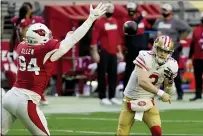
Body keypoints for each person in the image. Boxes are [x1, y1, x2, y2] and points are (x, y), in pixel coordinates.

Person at [0, 3, 106, 135]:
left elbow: (40, 46)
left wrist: (66, 40)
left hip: (10, 97)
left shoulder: (22, 46)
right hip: (26, 101)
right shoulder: (44, 50)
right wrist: (90, 19)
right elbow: (74, 39)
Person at [117, 35, 178, 136]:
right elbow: (142, 82)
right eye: (160, 50)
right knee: (122, 133)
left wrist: (170, 82)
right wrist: (160, 93)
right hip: (130, 99)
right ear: (155, 48)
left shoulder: (172, 65)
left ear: (170, 53)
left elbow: (167, 94)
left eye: (166, 51)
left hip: (149, 100)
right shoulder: (144, 56)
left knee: (157, 131)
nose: (163, 54)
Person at [8, 2, 47, 104]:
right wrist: (10, 51)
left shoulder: (36, 20)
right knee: (23, 75)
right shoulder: (18, 21)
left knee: (33, 74)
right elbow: (14, 37)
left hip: (33, 51)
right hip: (21, 50)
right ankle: (25, 96)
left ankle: (39, 95)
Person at [153, 3, 191, 100]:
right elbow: (155, 30)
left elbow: (187, 29)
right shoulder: (159, 22)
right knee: (160, 73)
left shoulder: (176, 22)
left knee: (174, 72)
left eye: (165, 10)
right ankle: (162, 94)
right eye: (162, 10)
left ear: (170, 11)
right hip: (160, 51)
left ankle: (180, 93)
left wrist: (180, 39)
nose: (163, 12)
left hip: (172, 50)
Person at [90, 2, 123, 105]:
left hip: (113, 52)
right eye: (107, 11)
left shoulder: (115, 21)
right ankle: (102, 96)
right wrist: (95, 53)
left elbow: (117, 38)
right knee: (102, 74)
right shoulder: (99, 22)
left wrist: (120, 52)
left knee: (113, 74)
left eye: (110, 10)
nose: (109, 12)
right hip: (103, 51)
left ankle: (112, 96)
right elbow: (94, 39)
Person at [120, 1, 151, 89]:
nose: (131, 11)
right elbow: (132, 25)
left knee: (143, 71)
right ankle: (127, 90)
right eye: (129, 9)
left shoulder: (143, 20)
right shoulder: (125, 19)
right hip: (131, 48)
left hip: (142, 49)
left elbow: (148, 27)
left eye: (132, 9)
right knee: (129, 70)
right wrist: (141, 16)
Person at [187, 12, 203, 101]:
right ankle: (198, 94)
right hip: (198, 57)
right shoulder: (196, 29)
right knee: (197, 76)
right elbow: (192, 44)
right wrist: (189, 57)